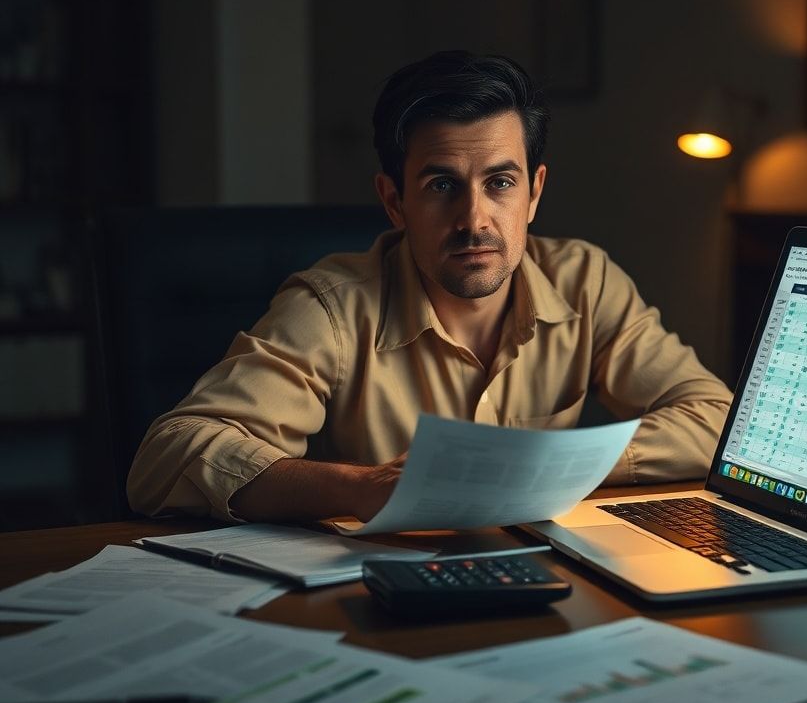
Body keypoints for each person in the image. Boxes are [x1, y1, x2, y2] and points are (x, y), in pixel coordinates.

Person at [127, 51, 732, 525]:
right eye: (442, 185)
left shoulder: (586, 282)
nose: (474, 219)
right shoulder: (333, 307)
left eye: (500, 183)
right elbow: (167, 458)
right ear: (395, 201)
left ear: (535, 193)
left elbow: (715, 421)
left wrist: (545, 470)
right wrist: (360, 488)